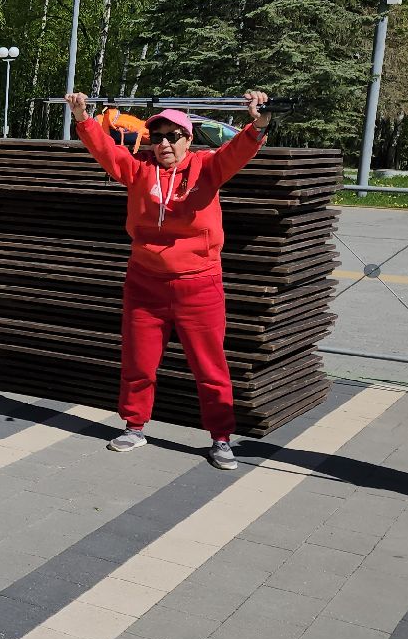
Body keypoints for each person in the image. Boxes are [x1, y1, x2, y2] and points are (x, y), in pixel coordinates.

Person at [66, 91, 271, 470]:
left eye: (172, 136)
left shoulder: (207, 167)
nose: (163, 144)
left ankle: (221, 438)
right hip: (145, 284)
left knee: (209, 366)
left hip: (199, 284)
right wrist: (83, 118)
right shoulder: (139, 169)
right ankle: (134, 425)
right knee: (139, 361)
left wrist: (257, 124)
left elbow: (237, 151)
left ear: (189, 138)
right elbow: (107, 153)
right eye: (156, 136)